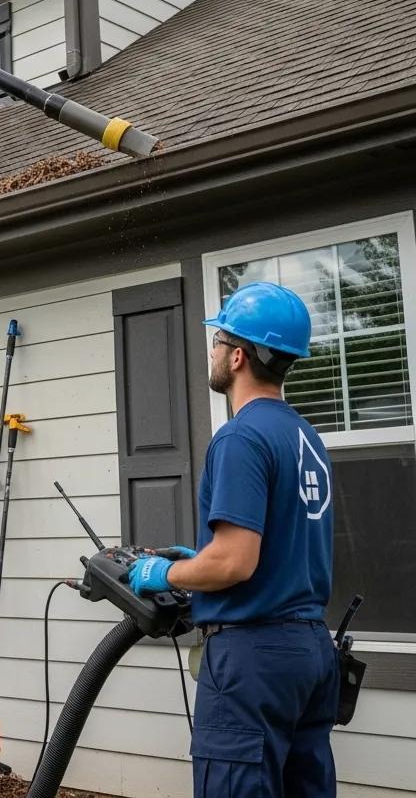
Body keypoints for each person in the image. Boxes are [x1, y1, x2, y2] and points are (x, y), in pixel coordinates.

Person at [127, 282, 339, 797]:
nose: (213, 351)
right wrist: (202, 557)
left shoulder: (241, 436)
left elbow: (236, 563)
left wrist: (164, 572)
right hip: (310, 651)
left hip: (253, 657)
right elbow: (271, 549)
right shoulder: (304, 435)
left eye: (218, 341)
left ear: (239, 355)